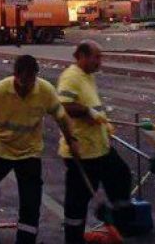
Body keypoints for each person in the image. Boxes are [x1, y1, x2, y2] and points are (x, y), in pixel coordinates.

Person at [0, 55, 81, 244]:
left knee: (31, 201)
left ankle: (25, 240)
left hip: (29, 152)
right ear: (15, 75)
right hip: (0, 148)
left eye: (31, 81)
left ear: (36, 76)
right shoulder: (0, 90)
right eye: (23, 81)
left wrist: (71, 140)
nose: (26, 87)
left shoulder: (44, 90)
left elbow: (62, 117)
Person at [57, 40, 134, 243]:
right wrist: (85, 111)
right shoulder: (71, 76)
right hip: (81, 151)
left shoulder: (87, 76)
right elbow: (63, 106)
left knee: (121, 175)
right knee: (77, 201)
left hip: (99, 147)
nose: (100, 61)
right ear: (82, 56)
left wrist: (103, 124)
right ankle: (73, 238)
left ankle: (118, 223)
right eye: (96, 57)